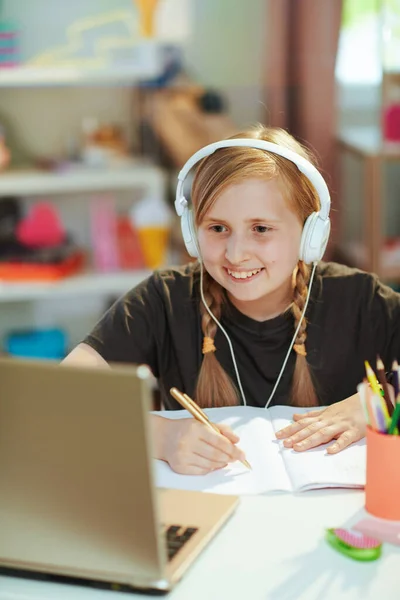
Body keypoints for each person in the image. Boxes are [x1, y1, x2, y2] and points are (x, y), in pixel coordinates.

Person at [63, 124, 400, 475]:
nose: (236, 254)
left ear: (310, 233)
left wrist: (378, 400)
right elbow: (58, 395)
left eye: (261, 229)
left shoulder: (360, 300)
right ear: (193, 233)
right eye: (218, 228)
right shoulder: (163, 299)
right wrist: (158, 436)